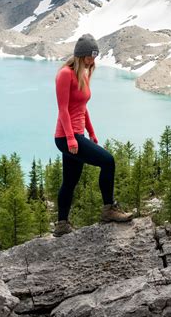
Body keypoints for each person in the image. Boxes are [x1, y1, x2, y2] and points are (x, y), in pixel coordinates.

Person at [53, 33, 133, 237]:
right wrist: (71, 138)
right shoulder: (65, 74)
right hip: (66, 137)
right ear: (80, 55)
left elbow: (81, 106)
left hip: (77, 134)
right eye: (89, 56)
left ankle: (62, 225)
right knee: (108, 161)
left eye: (94, 56)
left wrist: (92, 131)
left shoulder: (84, 73)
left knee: (70, 181)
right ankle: (109, 209)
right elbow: (63, 109)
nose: (92, 60)